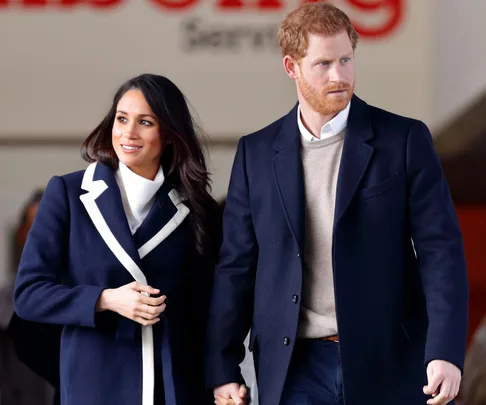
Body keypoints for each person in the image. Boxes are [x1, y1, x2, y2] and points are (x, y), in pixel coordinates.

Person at [205, 3, 468, 405]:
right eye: (324, 63)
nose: (339, 75)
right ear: (291, 67)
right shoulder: (255, 154)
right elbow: (236, 266)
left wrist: (446, 351)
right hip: (294, 365)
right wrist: (223, 366)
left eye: (346, 59)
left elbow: (441, 252)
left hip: (389, 359)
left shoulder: (405, 140)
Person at [14, 73, 219, 405]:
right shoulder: (68, 194)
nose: (129, 132)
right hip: (94, 385)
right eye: (122, 119)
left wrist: (223, 378)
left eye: (145, 122)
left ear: (168, 134)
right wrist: (105, 299)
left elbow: (210, 310)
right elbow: (28, 294)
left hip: (174, 385)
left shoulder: (196, 208)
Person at [0, 189, 57, 405]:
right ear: (22, 233)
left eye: (52, 228)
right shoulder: (3, 305)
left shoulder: (93, 300)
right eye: (34, 228)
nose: (43, 238)